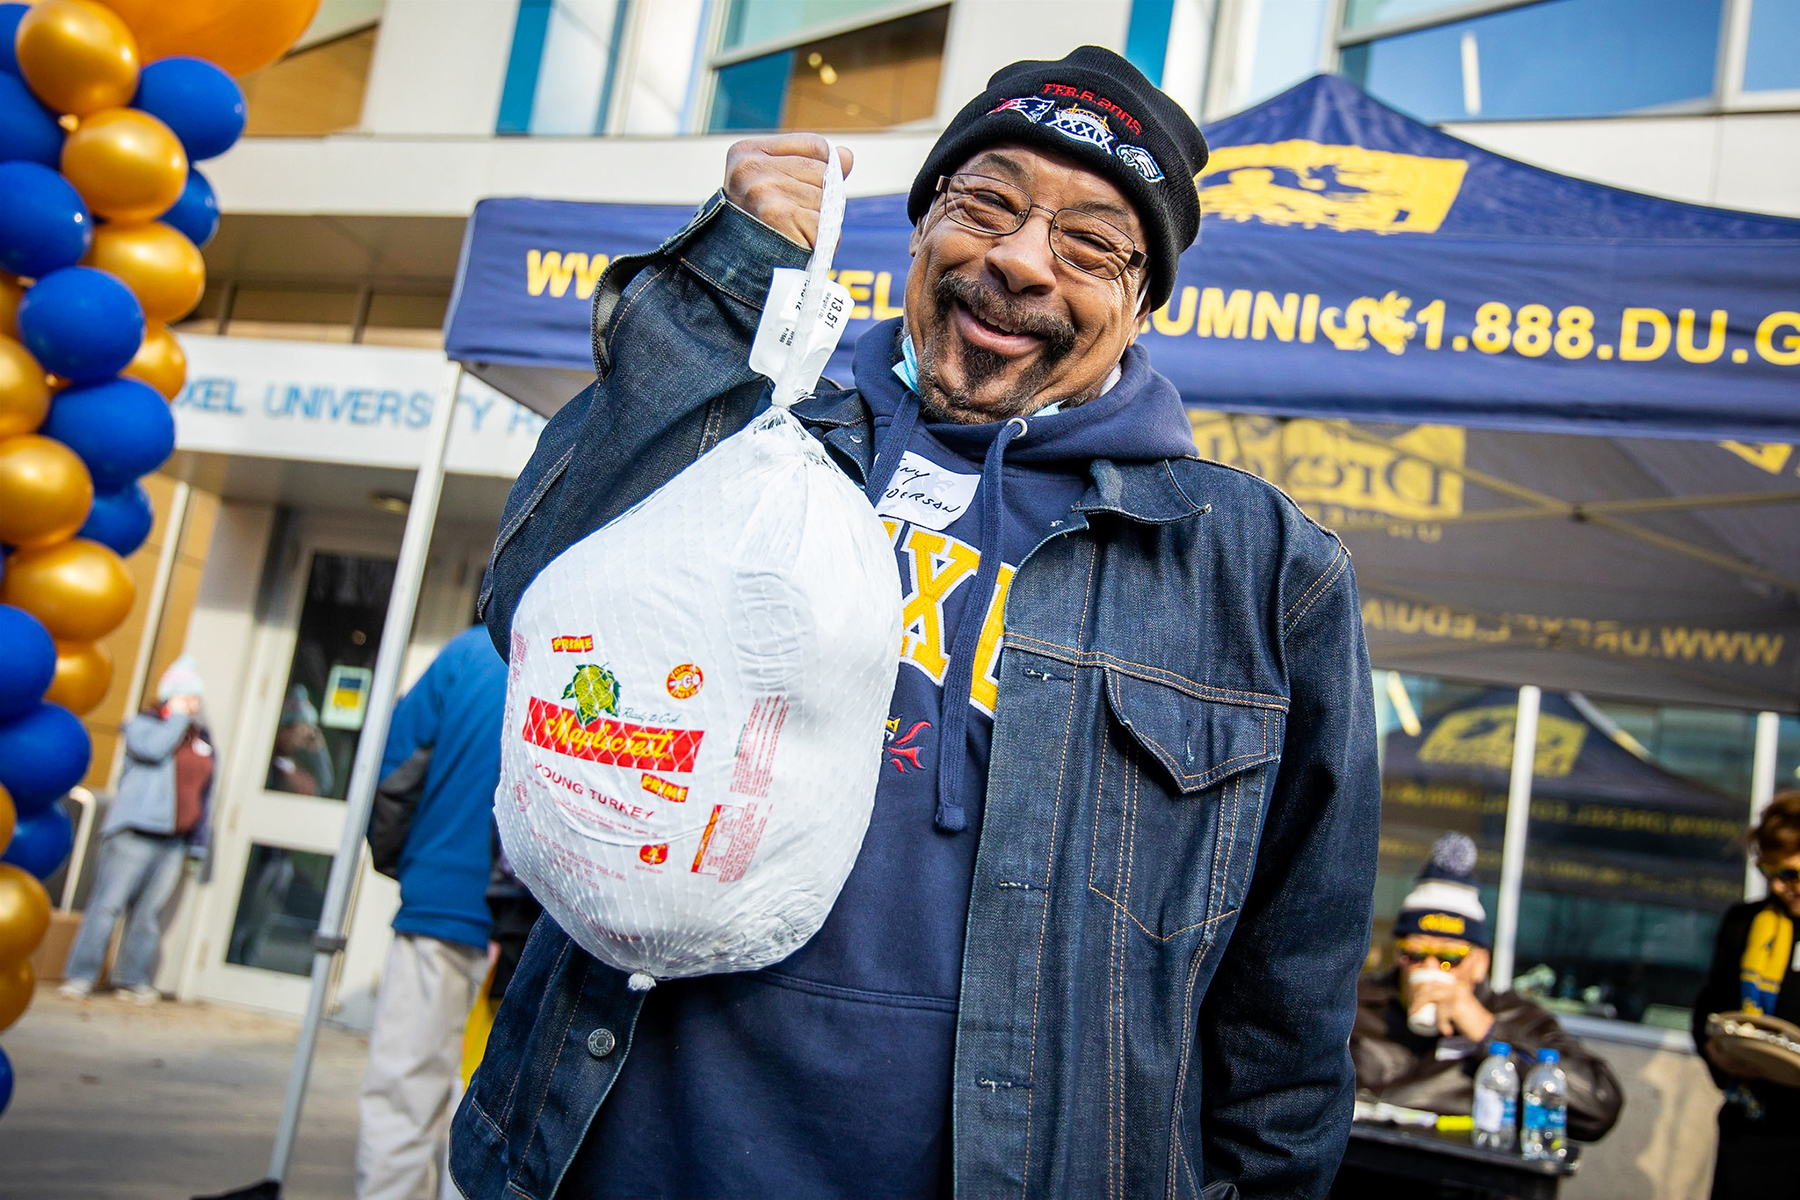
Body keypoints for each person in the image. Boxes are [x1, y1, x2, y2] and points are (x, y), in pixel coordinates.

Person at [455, 46, 1379, 1200]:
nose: (1020, 261)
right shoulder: (755, 435)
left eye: (1092, 244)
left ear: (1141, 305)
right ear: (921, 224)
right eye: (984, 203)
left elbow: (1288, 1015)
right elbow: (527, 591)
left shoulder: (1255, 572)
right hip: (612, 1148)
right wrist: (722, 286)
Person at [356, 626, 506, 1200]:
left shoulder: (466, 654)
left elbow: (395, 772)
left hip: (440, 905)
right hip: (534, 928)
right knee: (495, 1107)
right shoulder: (595, 653)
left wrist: (410, 870)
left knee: (403, 1093)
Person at [1349, 833, 1622, 1140]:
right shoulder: (1355, 1004)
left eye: (1450, 957)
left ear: (1480, 963)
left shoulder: (1516, 1017)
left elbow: (1599, 1108)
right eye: (1414, 954)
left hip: (1460, 1181)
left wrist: (1485, 1031)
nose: (1430, 968)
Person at [59, 656, 215, 1003]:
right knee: (108, 905)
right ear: (170, 697)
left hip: (174, 840)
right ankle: (80, 976)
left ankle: (132, 978)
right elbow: (154, 750)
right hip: (135, 832)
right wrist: (175, 717)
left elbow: (208, 792)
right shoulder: (143, 726)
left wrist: (199, 843)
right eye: (187, 696)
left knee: (148, 914)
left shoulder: (200, 738)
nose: (194, 705)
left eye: (196, 699)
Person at [1693, 790, 1800, 1200]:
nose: (1778, 885)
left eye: (1791, 873)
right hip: (1752, 1127)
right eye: (1768, 871)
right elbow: (1708, 1008)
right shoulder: (1745, 924)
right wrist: (1717, 1051)